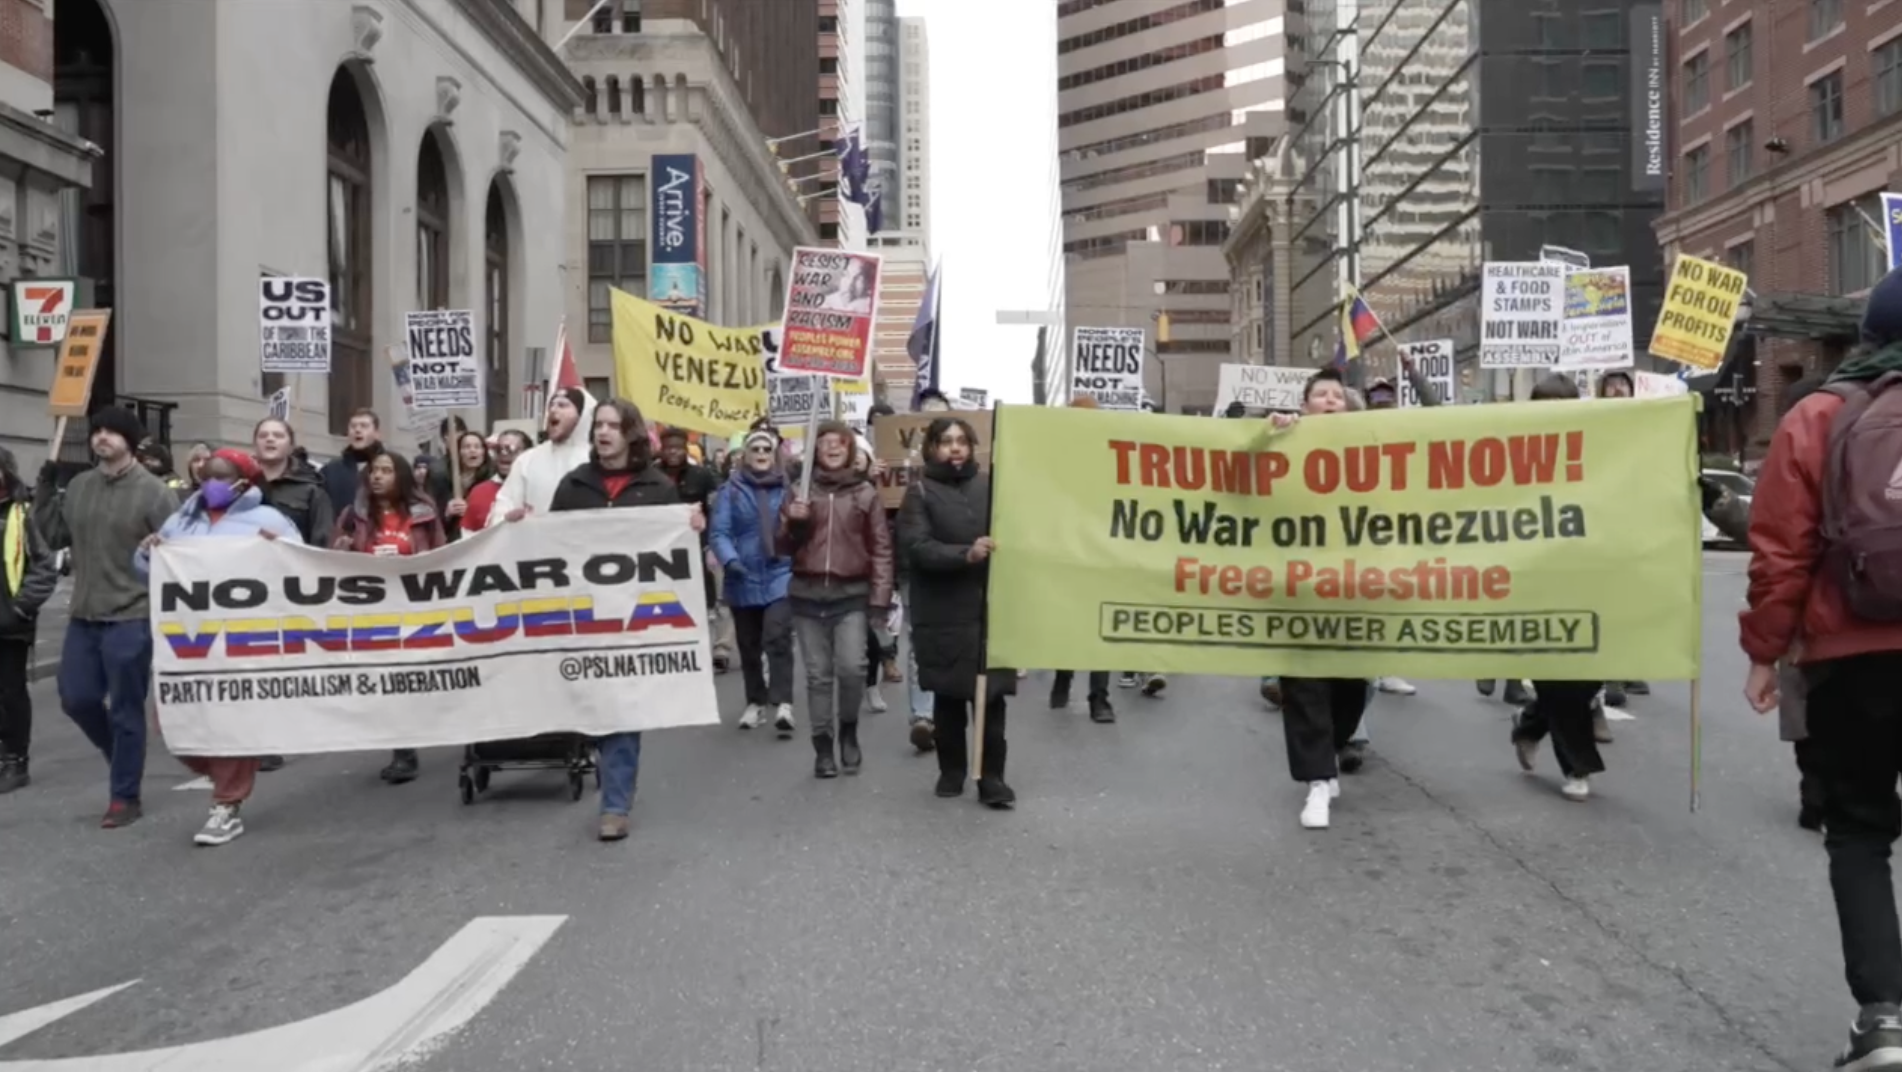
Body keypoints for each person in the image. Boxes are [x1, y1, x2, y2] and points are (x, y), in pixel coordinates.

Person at [1741, 267, 1902, 1071]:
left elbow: (1781, 553)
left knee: (1861, 834)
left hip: (1851, 658)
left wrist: (1766, 653)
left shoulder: (1817, 414)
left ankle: (1884, 1020)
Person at [546, 398, 701, 841]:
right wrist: (521, 528)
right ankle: (600, 761)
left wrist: (691, 526)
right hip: (581, 614)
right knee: (592, 706)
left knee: (620, 709)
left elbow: (674, 554)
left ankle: (615, 804)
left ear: (631, 434)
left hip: (632, 619)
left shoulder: (657, 488)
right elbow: (548, 546)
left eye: (613, 425)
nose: (603, 432)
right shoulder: (573, 486)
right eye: (599, 425)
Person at [135, 449, 300, 845]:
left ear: (243, 483)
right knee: (172, 721)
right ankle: (229, 768)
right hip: (188, 640)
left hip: (241, 638)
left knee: (229, 721)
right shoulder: (181, 520)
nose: (212, 484)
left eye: (222, 477)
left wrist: (280, 549)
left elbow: (298, 567)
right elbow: (150, 573)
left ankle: (226, 803)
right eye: (207, 475)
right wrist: (146, 552)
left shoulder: (268, 520)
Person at [33, 406, 178, 827]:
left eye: (112, 432)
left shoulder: (153, 491)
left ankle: (124, 796)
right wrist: (44, 491)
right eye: (97, 431)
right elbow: (56, 536)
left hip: (132, 613)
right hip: (83, 612)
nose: (102, 438)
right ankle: (121, 754)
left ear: (129, 442)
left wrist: (160, 546)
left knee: (125, 707)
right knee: (76, 697)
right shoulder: (79, 486)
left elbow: (177, 548)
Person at [1266, 368, 1372, 830]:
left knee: (1352, 685)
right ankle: (1316, 782)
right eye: (1320, 395)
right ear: (1304, 404)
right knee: (1305, 682)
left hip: (1355, 585)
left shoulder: (1374, 448)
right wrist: (1269, 437)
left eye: (1337, 396)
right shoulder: (1281, 440)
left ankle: (1330, 747)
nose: (1329, 401)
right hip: (1300, 584)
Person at [1506, 374, 1612, 804]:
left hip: (1589, 571)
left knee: (1589, 675)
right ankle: (1577, 767)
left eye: (1562, 403)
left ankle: (1530, 725)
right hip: (1537, 575)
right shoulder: (1515, 448)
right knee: (1558, 677)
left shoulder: (1596, 447)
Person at [901, 416, 1016, 807]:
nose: (955, 448)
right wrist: (964, 554)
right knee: (949, 699)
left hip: (989, 609)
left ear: (971, 447)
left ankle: (992, 778)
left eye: (961, 441)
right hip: (943, 609)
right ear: (931, 447)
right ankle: (951, 771)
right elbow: (916, 546)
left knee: (992, 700)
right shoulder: (919, 491)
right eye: (946, 441)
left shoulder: (992, 488)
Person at [781, 421, 893, 779]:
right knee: (818, 676)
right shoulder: (800, 491)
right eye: (824, 443)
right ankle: (823, 747)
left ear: (849, 450)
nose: (831, 449)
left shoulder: (865, 494)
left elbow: (881, 550)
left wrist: (879, 600)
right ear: (815, 450)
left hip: (850, 596)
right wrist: (792, 523)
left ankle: (848, 729)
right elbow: (780, 547)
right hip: (807, 595)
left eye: (838, 444)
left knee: (852, 668)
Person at [333, 450, 448, 784]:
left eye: (386, 470)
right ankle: (403, 752)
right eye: (374, 471)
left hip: (412, 607)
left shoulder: (424, 514)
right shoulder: (354, 515)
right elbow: (331, 558)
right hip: (371, 610)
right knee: (387, 680)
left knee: (411, 679)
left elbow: (440, 555)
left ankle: (417, 734)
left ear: (401, 477)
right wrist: (341, 548)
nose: (378, 476)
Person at [710, 428, 796, 735]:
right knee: (748, 644)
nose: (761, 454)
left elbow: (802, 527)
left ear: (774, 455)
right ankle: (755, 703)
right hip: (743, 574)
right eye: (755, 449)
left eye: (766, 449)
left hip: (779, 572)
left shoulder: (788, 489)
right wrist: (730, 560)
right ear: (745, 455)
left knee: (777, 635)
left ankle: (784, 703)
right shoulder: (730, 491)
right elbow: (718, 531)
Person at [0, 446, 58, 794]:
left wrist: (21, 609)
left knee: (9, 692)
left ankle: (15, 760)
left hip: (9, 624)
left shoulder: (23, 514)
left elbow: (44, 568)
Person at [656, 428, 728, 668]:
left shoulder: (702, 476)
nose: (673, 452)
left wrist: (711, 538)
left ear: (685, 448)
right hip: (664, 552)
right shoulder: (653, 477)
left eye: (677, 447)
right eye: (668, 448)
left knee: (711, 599)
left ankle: (717, 649)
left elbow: (715, 511)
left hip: (701, 547)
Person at [491, 387, 595, 524]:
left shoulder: (596, 459)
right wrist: (506, 517)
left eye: (562, 405)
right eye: (551, 405)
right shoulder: (528, 459)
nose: (553, 410)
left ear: (582, 415)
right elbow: (505, 502)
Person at [252, 418, 334, 546]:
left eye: (278, 436)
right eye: (263, 436)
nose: (270, 439)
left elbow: (322, 544)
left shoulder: (311, 491)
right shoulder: (243, 485)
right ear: (255, 445)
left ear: (291, 447)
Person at [318, 408, 385, 516]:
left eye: (364, 426)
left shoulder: (391, 467)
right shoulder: (331, 470)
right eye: (353, 426)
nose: (357, 430)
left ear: (377, 433)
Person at [464, 429, 529, 534]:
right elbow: (468, 538)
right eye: (498, 449)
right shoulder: (479, 492)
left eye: (511, 449)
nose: (504, 453)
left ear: (528, 453)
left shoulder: (539, 488)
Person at [443, 430, 495, 539]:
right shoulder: (444, 478)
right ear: (458, 453)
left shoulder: (492, 479)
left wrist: (473, 510)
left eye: (477, 447)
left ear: (484, 452)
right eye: (466, 447)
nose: (472, 450)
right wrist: (446, 513)